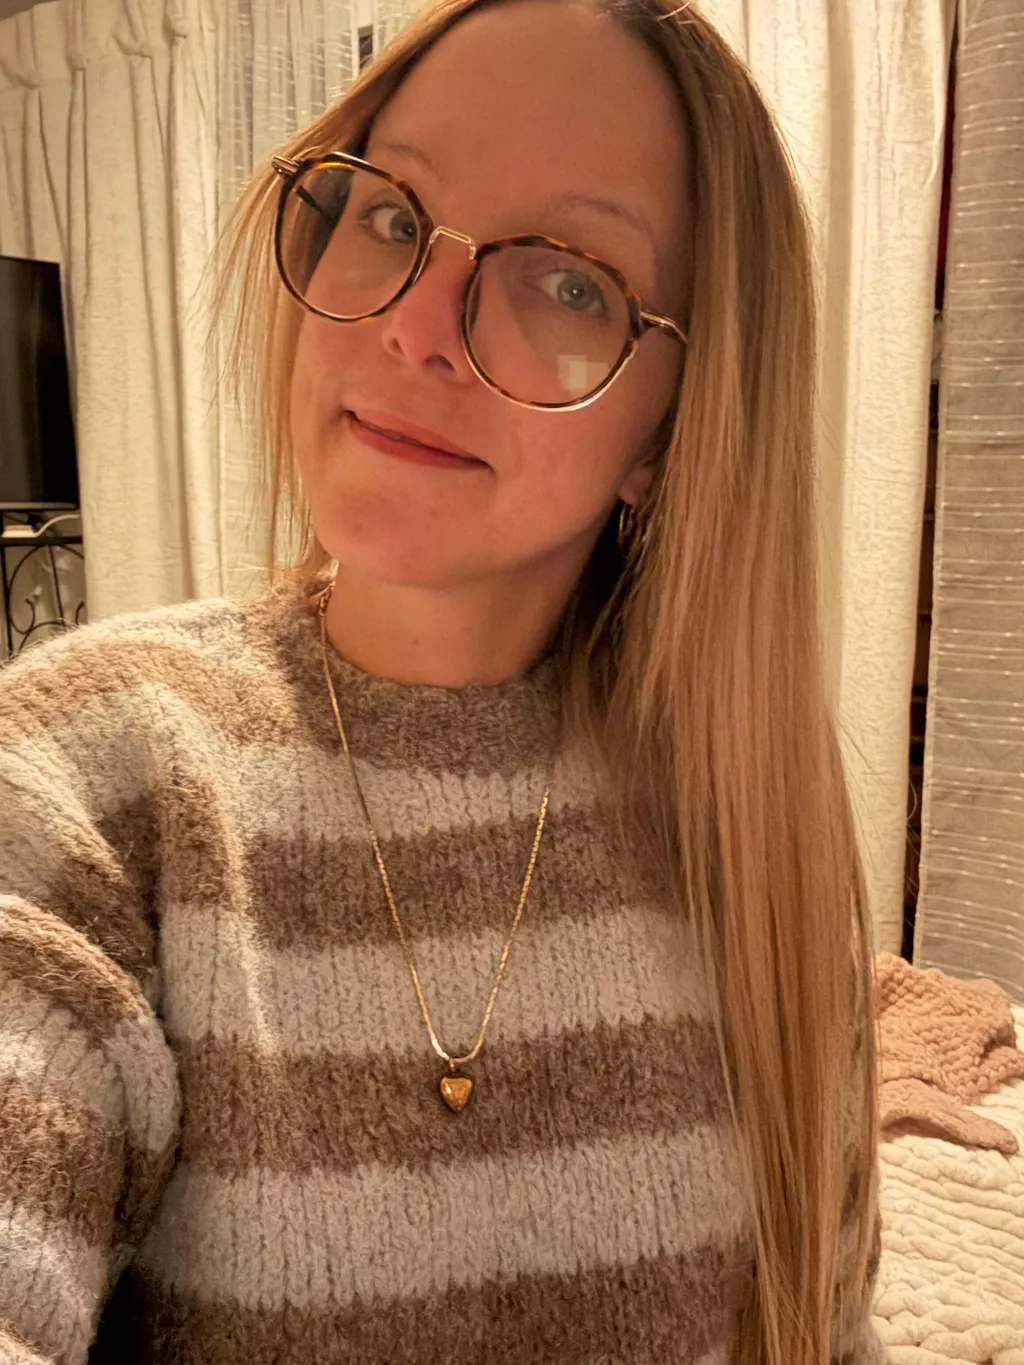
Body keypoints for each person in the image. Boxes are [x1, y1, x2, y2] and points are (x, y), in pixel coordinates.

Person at [0, 0, 886, 1361]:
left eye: (571, 281)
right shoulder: (83, 774)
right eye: (394, 215)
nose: (416, 327)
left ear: (675, 427)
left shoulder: (748, 816)